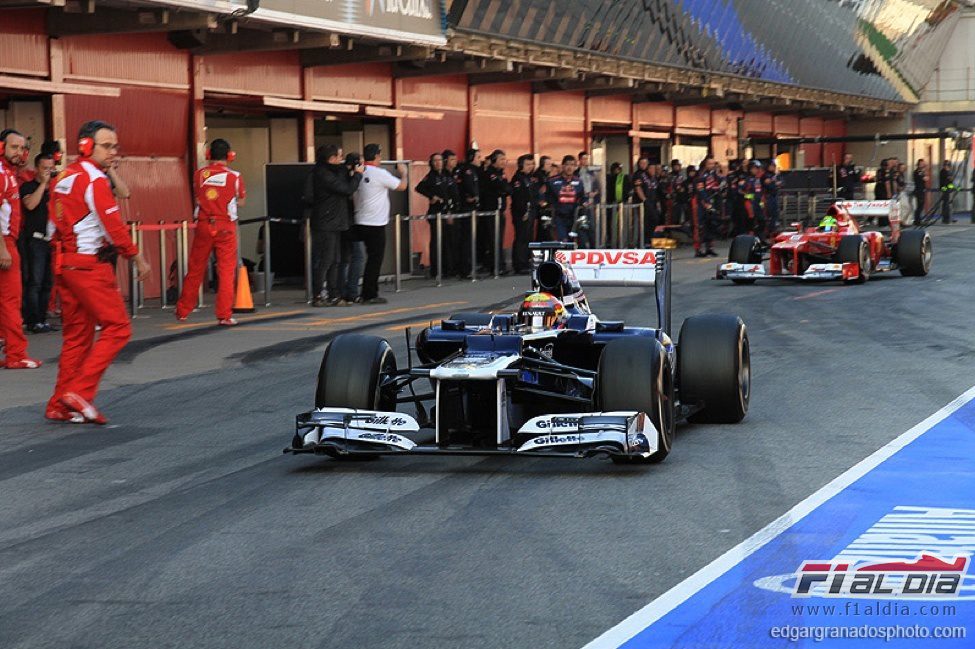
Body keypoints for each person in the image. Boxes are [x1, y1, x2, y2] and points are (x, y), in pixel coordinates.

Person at [46, 120, 151, 423]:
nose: (114, 152)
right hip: (91, 266)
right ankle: (80, 392)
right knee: (118, 328)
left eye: (115, 146)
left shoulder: (63, 177)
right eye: (107, 146)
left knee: (77, 338)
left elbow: (52, 224)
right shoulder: (95, 180)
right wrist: (137, 258)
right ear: (86, 146)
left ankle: (58, 404)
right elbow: (113, 227)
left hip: (66, 264)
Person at [175, 139, 247, 323]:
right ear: (230, 156)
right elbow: (241, 201)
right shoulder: (236, 177)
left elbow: (200, 196)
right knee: (226, 271)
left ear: (208, 155)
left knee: (195, 268)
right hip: (225, 226)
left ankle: (183, 311)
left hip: (204, 224)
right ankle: (224, 315)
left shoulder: (199, 175)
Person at [0, 129, 42, 368]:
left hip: (7, 241)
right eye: (14, 147)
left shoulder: (8, 173)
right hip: (4, 242)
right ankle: (16, 355)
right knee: (10, 300)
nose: (20, 152)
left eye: (22, 148)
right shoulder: (2, 174)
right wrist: (3, 249)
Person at [302, 144, 362, 307]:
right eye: (339, 156)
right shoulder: (322, 174)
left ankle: (334, 295)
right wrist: (357, 175)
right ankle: (318, 294)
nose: (342, 160)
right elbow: (346, 188)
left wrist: (351, 167)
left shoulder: (333, 170)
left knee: (335, 260)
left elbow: (343, 175)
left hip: (335, 222)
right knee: (326, 260)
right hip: (325, 222)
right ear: (331, 158)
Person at [351, 143, 406, 304]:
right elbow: (402, 186)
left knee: (354, 258)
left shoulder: (357, 172)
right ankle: (369, 293)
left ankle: (350, 291)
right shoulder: (379, 173)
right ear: (376, 156)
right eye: (380, 156)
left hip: (358, 219)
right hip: (375, 223)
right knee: (374, 259)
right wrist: (404, 173)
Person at [18, 148, 57, 333]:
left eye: (51, 168)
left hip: (51, 240)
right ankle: (32, 320)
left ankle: (43, 319)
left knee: (48, 282)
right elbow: (30, 204)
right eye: (44, 168)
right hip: (35, 240)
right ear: (37, 168)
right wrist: (43, 184)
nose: (48, 171)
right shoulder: (28, 186)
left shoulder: (56, 189)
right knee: (35, 281)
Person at [416, 151, 455, 278]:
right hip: (435, 212)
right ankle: (436, 270)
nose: (438, 163)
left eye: (440, 160)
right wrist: (432, 196)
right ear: (431, 163)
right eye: (435, 161)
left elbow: (453, 193)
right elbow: (419, 187)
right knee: (436, 241)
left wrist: (450, 211)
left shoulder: (447, 176)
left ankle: (448, 269)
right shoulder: (430, 177)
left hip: (447, 211)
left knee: (448, 241)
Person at [478, 149, 511, 273]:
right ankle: (495, 266)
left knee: (499, 239)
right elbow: (499, 187)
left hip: (500, 211)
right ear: (494, 161)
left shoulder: (501, 174)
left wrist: (503, 189)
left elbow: (508, 189)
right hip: (491, 211)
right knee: (492, 239)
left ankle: (499, 264)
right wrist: (502, 189)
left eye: (505, 159)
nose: (504, 162)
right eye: (501, 159)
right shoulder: (489, 174)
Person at [540, 155, 585, 242]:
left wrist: (585, 203)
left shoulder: (579, 182)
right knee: (563, 242)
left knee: (573, 243)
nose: (570, 167)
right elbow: (543, 197)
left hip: (573, 217)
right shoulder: (551, 181)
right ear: (562, 166)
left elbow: (582, 197)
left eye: (572, 165)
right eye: (567, 164)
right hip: (558, 217)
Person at [510, 154, 538, 275]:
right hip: (521, 213)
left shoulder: (529, 178)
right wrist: (523, 212)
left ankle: (527, 261)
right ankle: (519, 264)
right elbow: (518, 198)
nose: (530, 167)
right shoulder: (517, 179)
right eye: (527, 164)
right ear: (521, 165)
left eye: (531, 164)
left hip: (530, 211)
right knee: (521, 238)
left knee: (528, 238)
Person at [693, 157, 720, 257]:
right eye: (710, 164)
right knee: (700, 226)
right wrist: (707, 203)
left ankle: (710, 248)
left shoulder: (713, 174)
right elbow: (700, 191)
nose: (712, 166)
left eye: (713, 164)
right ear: (705, 164)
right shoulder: (700, 175)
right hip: (701, 203)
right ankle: (698, 249)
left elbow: (717, 186)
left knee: (711, 225)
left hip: (712, 202)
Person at [605, 162, 632, 247]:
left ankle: (622, 240)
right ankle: (612, 240)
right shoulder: (609, 177)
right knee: (611, 223)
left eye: (619, 169)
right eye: (617, 169)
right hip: (611, 204)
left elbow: (628, 190)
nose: (618, 171)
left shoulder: (624, 177)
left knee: (622, 223)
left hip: (622, 203)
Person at [762, 161, 783, 238]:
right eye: (771, 166)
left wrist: (775, 183)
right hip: (768, 197)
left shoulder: (776, 174)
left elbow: (781, 182)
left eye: (774, 166)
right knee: (769, 214)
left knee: (775, 214)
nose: (773, 167)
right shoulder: (765, 175)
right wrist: (774, 183)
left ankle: (774, 229)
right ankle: (768, 231)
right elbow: (768, 185)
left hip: (775, 196)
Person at [939, 160, 955, 224]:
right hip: (945, 189)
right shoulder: (943, 172)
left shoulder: (949, 172)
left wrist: (951, 188)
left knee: (949, 204)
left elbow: (950, 182)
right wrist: (944, 189)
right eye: (946, 165)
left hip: (948, 189)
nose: (947, 167)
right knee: (945, 204)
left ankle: (949, 217)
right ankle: (945, 218)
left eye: (948, 165)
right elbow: (943, 182)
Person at [912, 160, 927, 225]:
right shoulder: (918, 171)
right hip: (919, 190)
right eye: (922, 164)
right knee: (919, 205)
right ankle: (917, 220)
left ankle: (918, 219)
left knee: (921, 205)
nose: (923, 165)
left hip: (922, 190)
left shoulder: (921, 171)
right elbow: (925, 178)